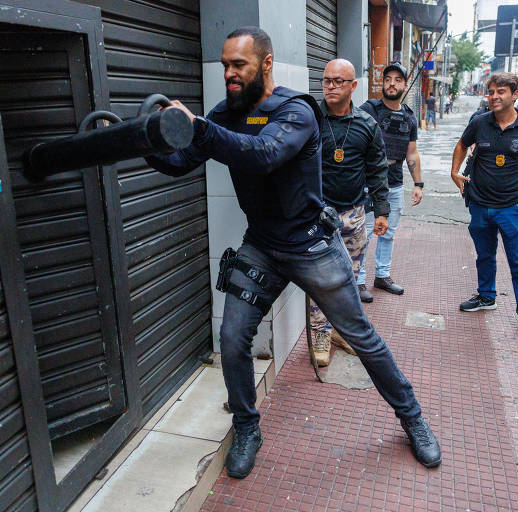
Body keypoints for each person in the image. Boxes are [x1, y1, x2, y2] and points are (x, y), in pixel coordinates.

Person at [144, 27, 442, 478]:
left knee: (362, 338)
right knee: (232, 338)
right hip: (262, 246)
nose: (229, 73)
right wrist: (138, 141)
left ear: (265, 65)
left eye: (238, 65)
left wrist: (201, 128)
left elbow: (263, 154)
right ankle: (247, 426)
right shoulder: (227, 113)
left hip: (311, 245)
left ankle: (412, 418)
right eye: (225, 65)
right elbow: (181, 160)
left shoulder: (296, 111)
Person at [450, 72, 518, 343]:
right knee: (484, 256)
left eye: (501, 92)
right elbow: (462, 145)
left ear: (515, 94)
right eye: (491, 92)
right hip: (481, 205)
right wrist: (454, 172)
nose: (494, 96)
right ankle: (486, 296)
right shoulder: (480, 123)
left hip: (513, 208)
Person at [307, 58, 390, 366]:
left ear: (353, 86)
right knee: (319, 281)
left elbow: (377, 169)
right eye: (327, 80)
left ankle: (340, 331)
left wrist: (381, 210)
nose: (331, 86)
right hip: (317, 217)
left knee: (349, 279)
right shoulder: (311, 118)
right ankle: (319, 335)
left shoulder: (366, 124)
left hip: (354, 215)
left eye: (338, 81)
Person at [358, 63, 424, 298]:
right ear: (382, 83)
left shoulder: (408, 117)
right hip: (367, 182)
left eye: (397, 80)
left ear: (405, 85)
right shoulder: (368, 109)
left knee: (388, 232)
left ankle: (382, 276)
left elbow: (412, 152)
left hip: (394, 182)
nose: (392, 83)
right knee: (363, 232)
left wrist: (418, 184)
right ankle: (358, 280)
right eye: (388, 79)